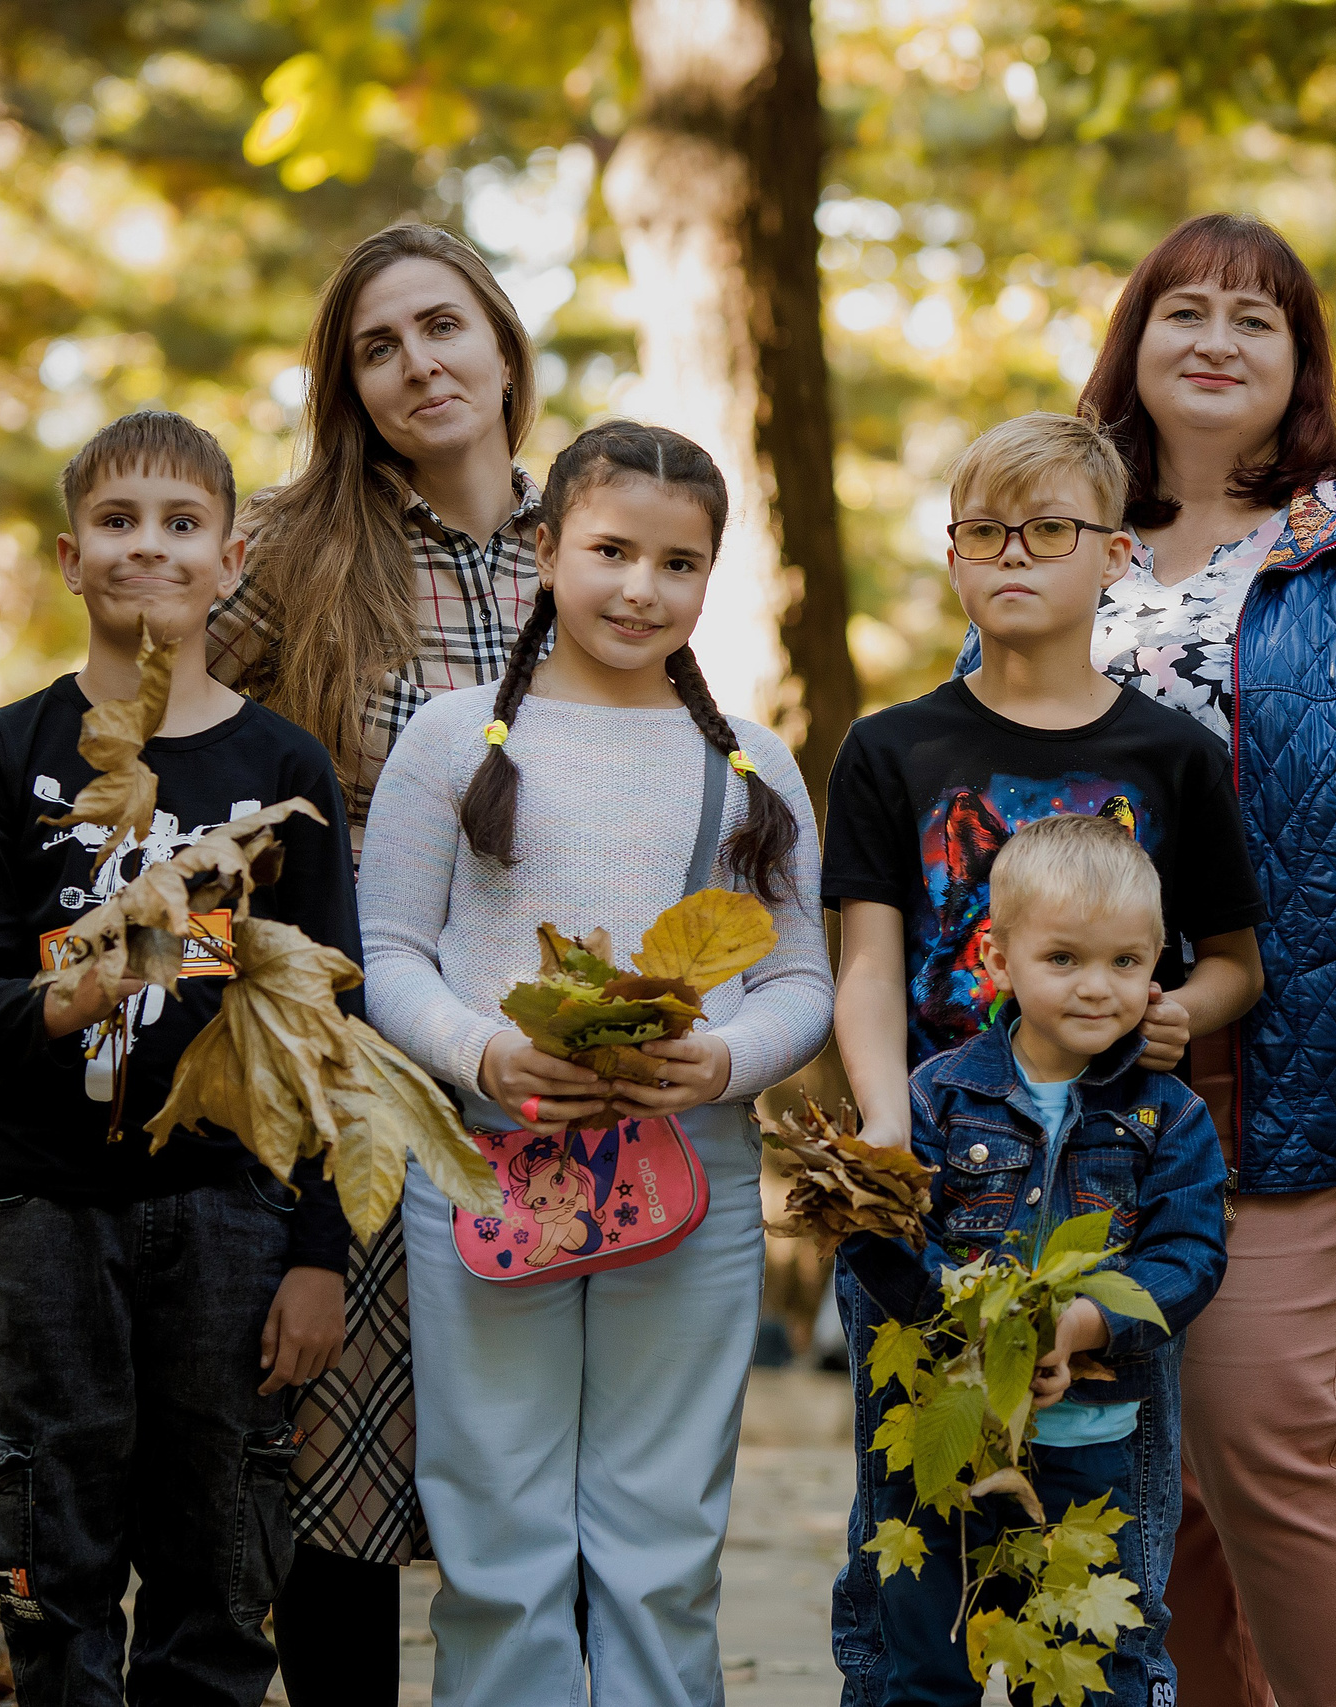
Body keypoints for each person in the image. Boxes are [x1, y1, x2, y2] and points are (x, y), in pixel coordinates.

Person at [1072, 211, 1336, 1707]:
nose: (1215, 338)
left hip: (1298, 1065)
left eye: (1256, 319)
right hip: (1083, 1075)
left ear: (1299, 362)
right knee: (1152, 1466)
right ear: (1135, 340)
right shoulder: (1062, 521)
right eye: (1183, 307)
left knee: (1265, 1435)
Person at [356, 420, 831, 1703]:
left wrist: (724, 1062)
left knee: (661, 1534)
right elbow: (389, 951)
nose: (640, 587)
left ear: (711, 575)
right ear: (547, 547)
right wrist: (485, 1051)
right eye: (612, 549)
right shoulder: (456, 739)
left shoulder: (747, 760)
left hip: (695, 1175)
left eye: (679, 563)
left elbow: (800, 979)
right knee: (497, 1530)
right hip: (485, 1164)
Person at [822, 411, 1267, 1699]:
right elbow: (866, 960)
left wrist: (1189, 1004)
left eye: (1050, 530)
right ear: (952, 557)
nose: (1014, 554)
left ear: (1115, 555)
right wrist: (882, 1134)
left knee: (1097, 1545)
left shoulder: (1170, 754)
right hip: (936, 1187)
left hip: (1111, 1182)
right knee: (915, 1549)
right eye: (983, 532)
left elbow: (1238, 958)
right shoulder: (891, 749)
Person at [0, 411, 357, 1705]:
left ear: (229, 560)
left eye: (182, 524)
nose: (148, 547)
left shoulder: (282, 767)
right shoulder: (8, 754)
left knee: (216, 1531)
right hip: (50, 1199)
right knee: (58, 1510)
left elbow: (327, 1027)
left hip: (229, 1204)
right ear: (69, 554)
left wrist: (320, 1250)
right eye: (117, 521)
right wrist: (73, 992)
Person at [207, 220, 547, 1697]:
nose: (420, 363)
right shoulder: (290, 549)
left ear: (502, 343)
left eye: (443, 326)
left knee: (528, 1464)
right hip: (347, 1068)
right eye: (379, 345)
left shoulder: (592, 530)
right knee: (335, 1447)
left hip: (550, 1059)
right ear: (349, 385)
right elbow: (165, 761)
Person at [838, 813, 1231, 1703]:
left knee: (1091, 1671)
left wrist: (1081, 1322)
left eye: (1127, 962)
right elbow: (881, 1240)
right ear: (997, 962)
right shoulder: (936, 1097)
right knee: (921, 1665)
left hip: (1096, 1456)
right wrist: (975, 1329)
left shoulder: (1171, 1117)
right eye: (1065, 959)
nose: (1099, 987)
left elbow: (1189, 1256)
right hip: (943, 1452)